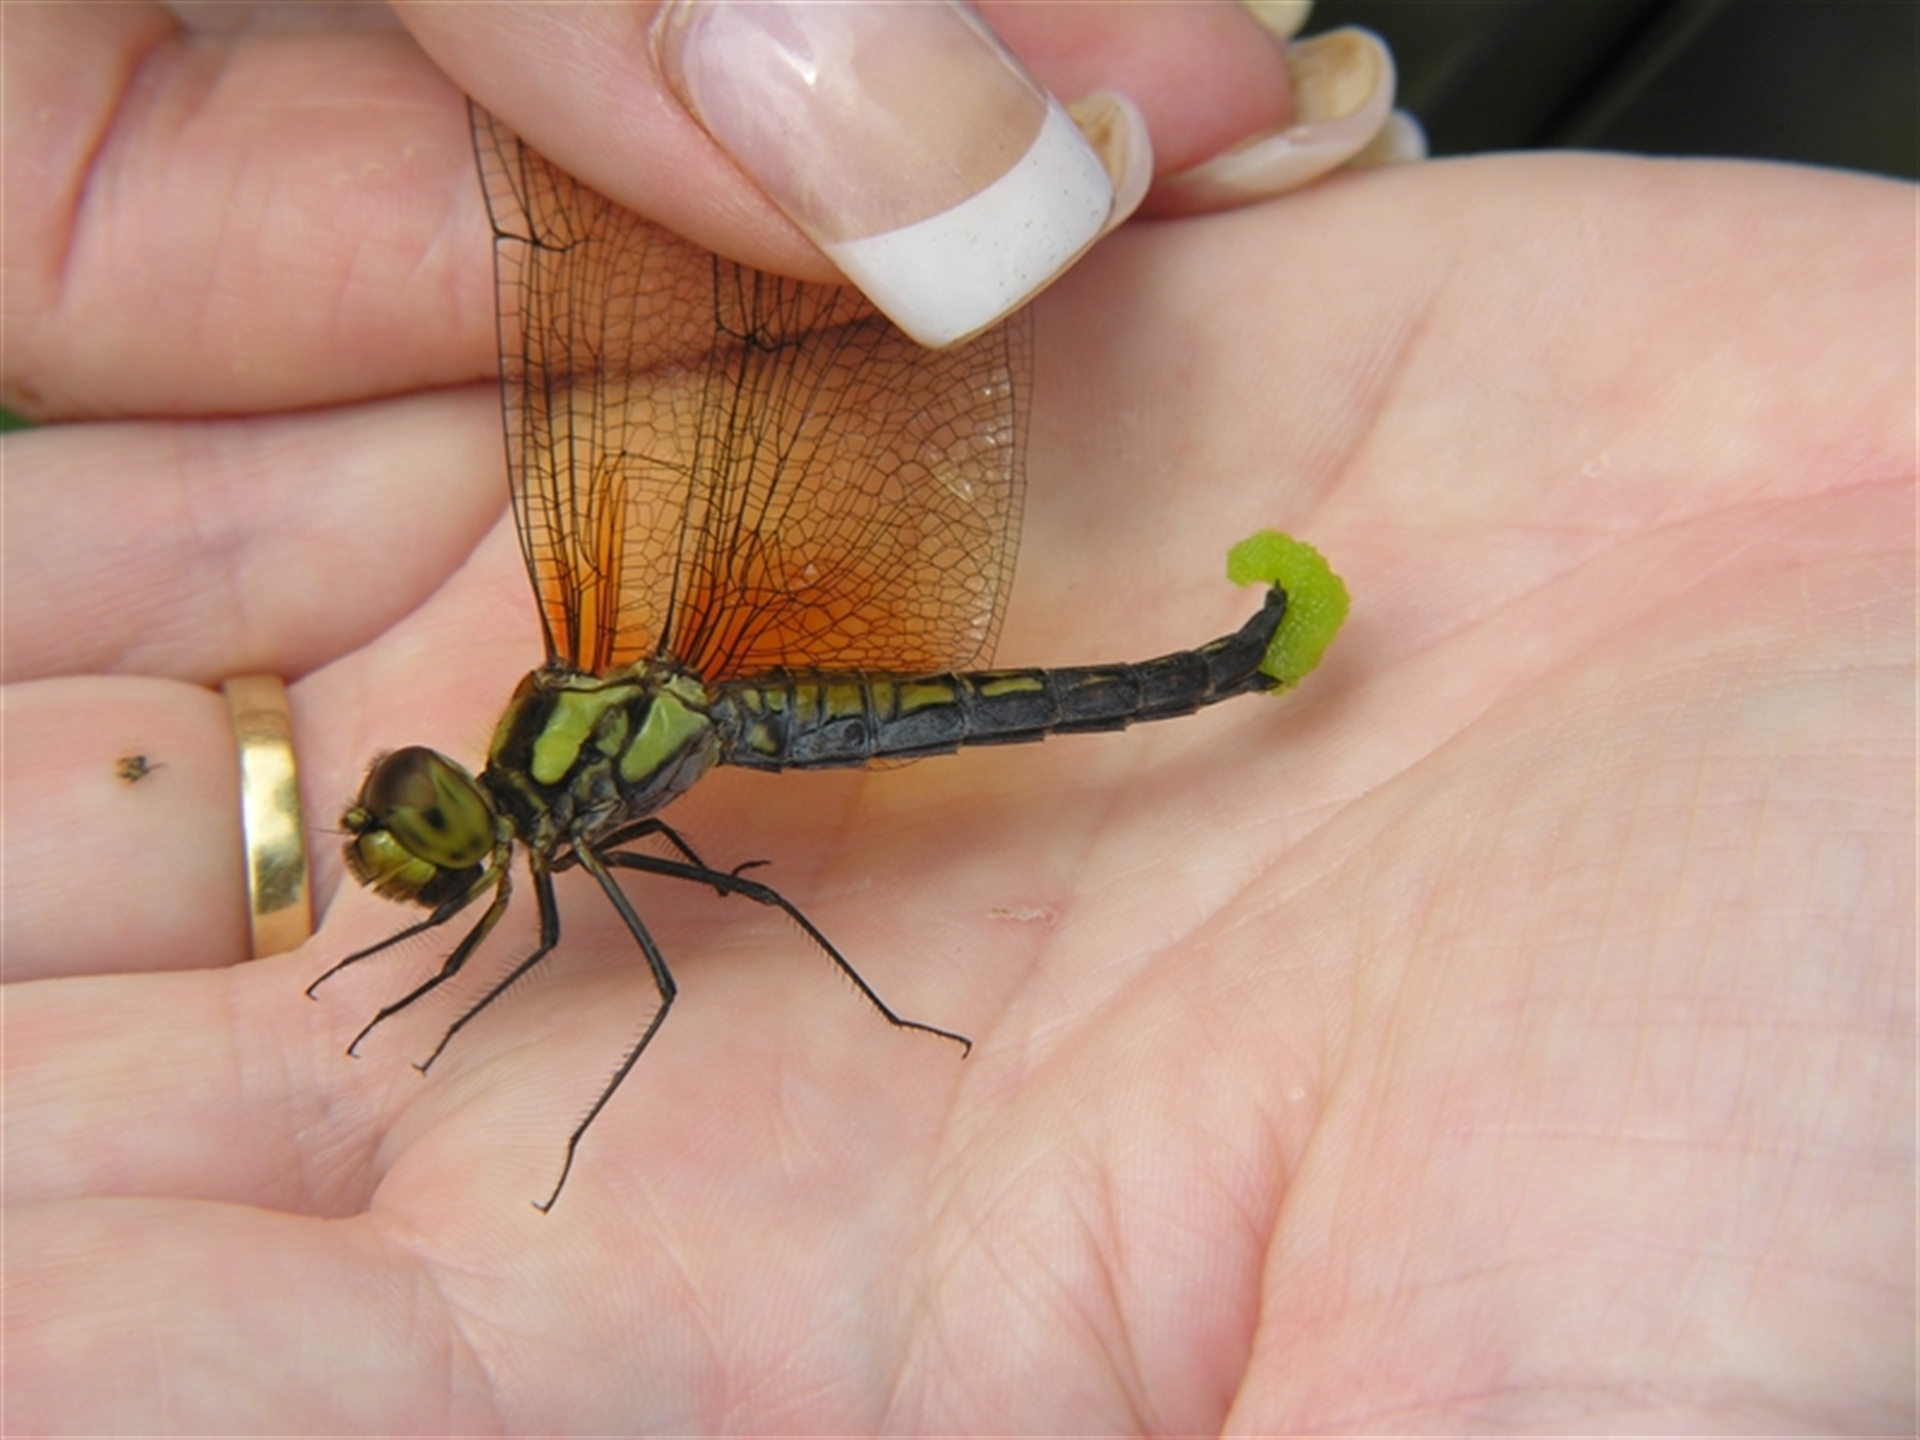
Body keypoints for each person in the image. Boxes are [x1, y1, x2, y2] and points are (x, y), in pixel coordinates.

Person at [6, 1, 1911, 1431]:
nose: (415, 844)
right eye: (420, 832)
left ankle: (1237, 664)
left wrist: (522, 1077)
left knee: (712, 925)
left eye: (416, 831)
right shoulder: (559, 760)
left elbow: (631, 986)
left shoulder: (553, 811)